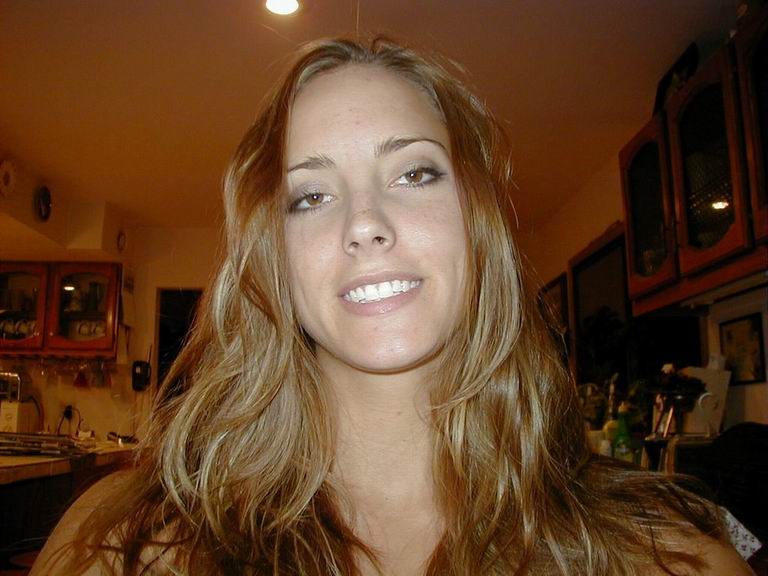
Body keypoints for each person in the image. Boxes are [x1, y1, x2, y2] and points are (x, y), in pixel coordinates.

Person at [31, 37, 753, 576]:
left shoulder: (664, 554)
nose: (364, 223)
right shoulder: (124, 544)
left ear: (478, 221)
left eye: (413, 173)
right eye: (312, 195)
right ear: (272, 257)